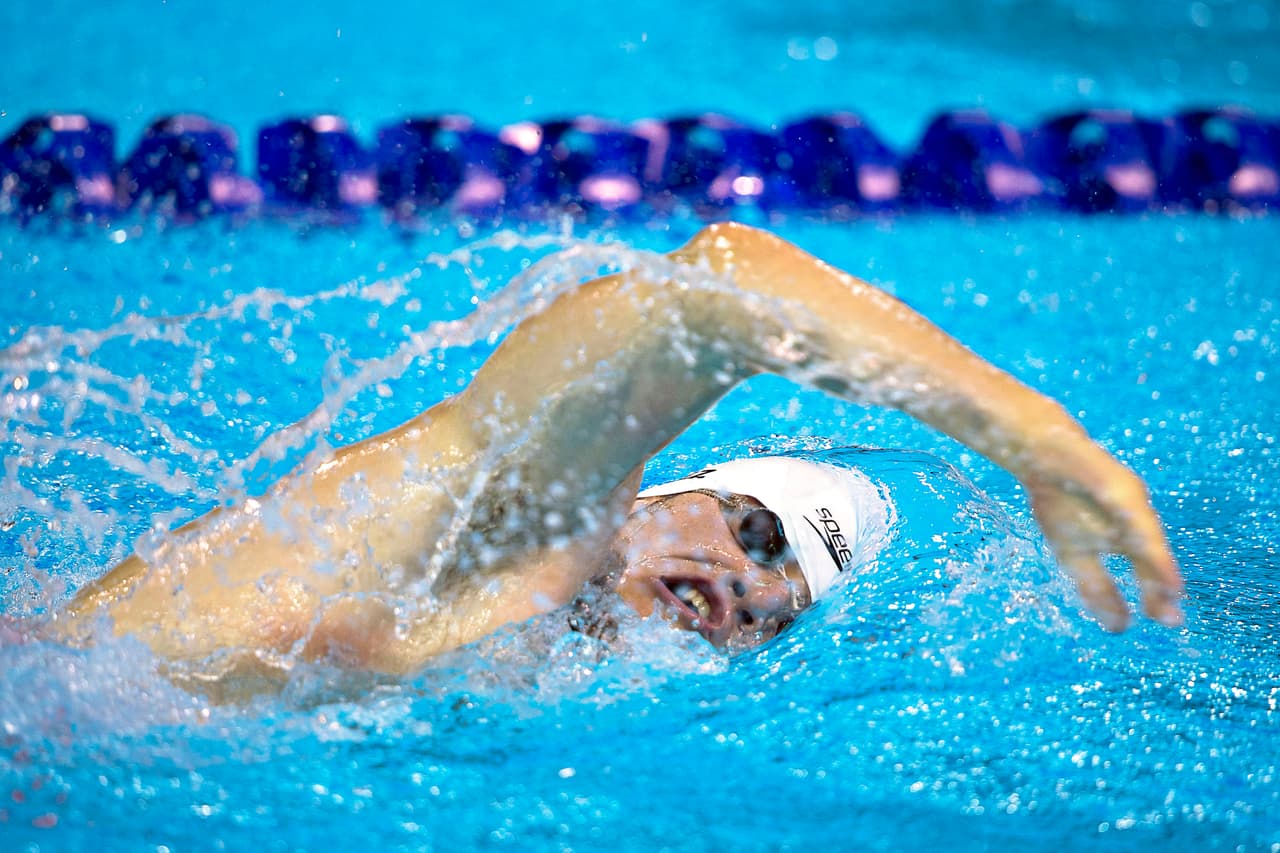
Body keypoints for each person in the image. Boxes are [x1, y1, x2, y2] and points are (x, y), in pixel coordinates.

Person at [43, 222, 1183, 688]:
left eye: (772, 607)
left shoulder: (515, 669)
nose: (741, 586)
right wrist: (1030, 436)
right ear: (653, 483)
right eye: (754, 528)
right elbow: (724, 279)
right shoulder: (520, 518)